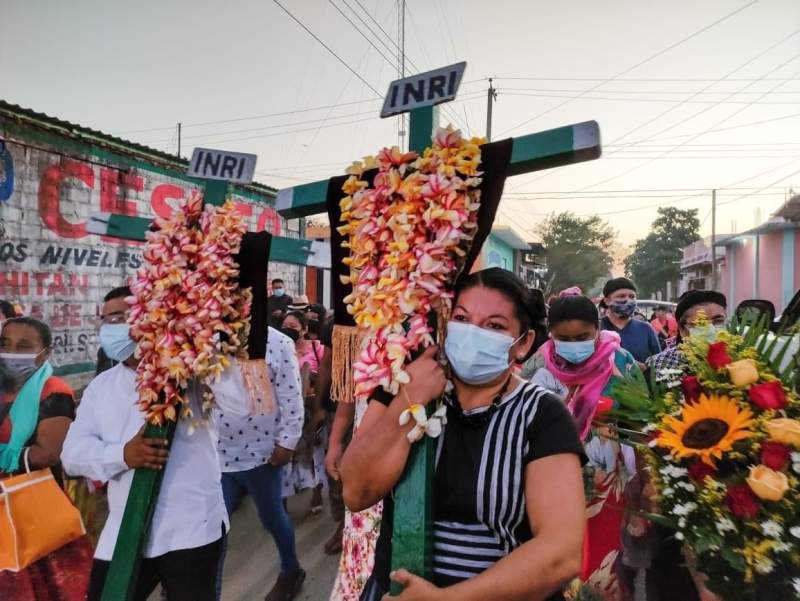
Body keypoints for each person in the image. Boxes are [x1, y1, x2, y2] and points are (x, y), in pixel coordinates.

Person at [340, 267, 585, 600]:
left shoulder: (542, 414)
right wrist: (408, 401)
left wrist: (447, 599)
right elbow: (356, 492)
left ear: (523, 342)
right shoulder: (403, 387)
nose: (473, 334)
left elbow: (561, 551)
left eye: (494, 326)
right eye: (462, 319)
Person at [61, 286, 228, 601]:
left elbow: (240, 403)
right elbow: (72, 455)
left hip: (191, 527)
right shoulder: (101, 387)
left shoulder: (190, 373)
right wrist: (122, 455)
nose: (116, 326)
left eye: (124, 315)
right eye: (109, 319)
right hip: (124, 530)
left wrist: (205, 347)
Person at [532, 295, 644, 600]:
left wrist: (646, 489)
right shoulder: (538, 366)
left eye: (582, 337)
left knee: (604, 568)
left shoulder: (621, 362)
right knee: (555, 564)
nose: (573, 345)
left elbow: (640, 426)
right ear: (550, 335)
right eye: (563, 339)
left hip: (608, 488)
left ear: (598, 329)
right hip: (549, 482)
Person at [0, 317, 93, 601]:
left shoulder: (54, 390)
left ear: (45, 352)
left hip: (34, 512)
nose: (12, 352)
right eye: (5, 344)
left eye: (24, 346)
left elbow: (47, 453)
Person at [213, 325, 306, 601]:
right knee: (214, 529)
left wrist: (286, 443)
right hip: (217, 457)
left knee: (272, 518)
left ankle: (291, 570)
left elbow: (291, 398)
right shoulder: (203, 340)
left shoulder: (277, 343)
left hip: (262, 457)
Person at [279, 311, 326, 514]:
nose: (288, 329)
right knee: (286, 455)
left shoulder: (317, 349)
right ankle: (281, 501)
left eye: (293, 325)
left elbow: (327, 376)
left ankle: (317, 493)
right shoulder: (280, 349)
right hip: (286, 411)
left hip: (311, 408)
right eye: (285, 325)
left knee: (314, 454)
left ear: (304, 329)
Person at [645, 290, 727, 379]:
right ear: (682, 330)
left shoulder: (740, 361)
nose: (711, 329)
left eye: (718, 321)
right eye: (700, 323)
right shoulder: (659, 365)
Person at [600, 278, 661, 366]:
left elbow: (659, 362)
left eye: (632, 297)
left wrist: (644, 368)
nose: (628, 300)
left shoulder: (646, 329)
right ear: (607, 301)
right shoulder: (597, 328)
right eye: (621, 296)